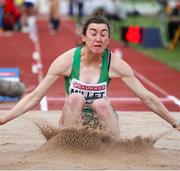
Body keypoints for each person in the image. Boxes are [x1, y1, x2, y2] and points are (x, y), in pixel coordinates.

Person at [0, 16, 179, 139]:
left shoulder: (115, 64)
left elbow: (146, 97)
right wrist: (4, 119)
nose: (98, 38)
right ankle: (70, 144)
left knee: (101, 103)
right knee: (75, 97)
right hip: (72, 119)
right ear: (84, 37)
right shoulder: (66, 61)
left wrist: (174, 122)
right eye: (93, 33)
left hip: (102, 122)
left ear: (109, 40)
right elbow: (35, 97)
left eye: (103, 34)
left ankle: (111, 148)